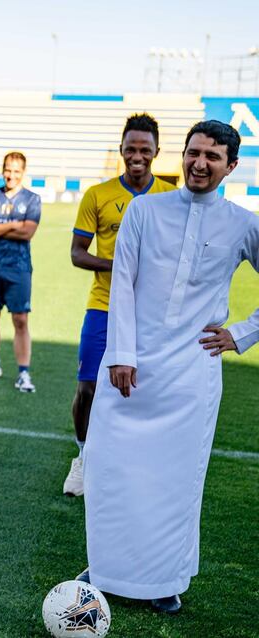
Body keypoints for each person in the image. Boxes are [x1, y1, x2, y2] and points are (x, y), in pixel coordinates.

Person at [79, 120, 259, 614]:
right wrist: (120, 354)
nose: (199, 164)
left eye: (212, 157)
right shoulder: (145, 208)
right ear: (181, 155)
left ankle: (162, 581)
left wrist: (241, 334)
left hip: (192, 376)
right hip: (129, 369)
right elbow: (122, 282)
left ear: (232, 166)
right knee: (110, 470)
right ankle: (106, 570)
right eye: (193, 152)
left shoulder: (244, 223)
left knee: (174, 483)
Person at [62, 113, 176, 497]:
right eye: (131, 149)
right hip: (104, 305)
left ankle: (133, 464)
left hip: (154, 311)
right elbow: (78, 254)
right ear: (122, 150)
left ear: (157, 152)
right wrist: (120, 266)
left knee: (147, 389)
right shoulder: (98, 194)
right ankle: (82, 458)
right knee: (89, 386)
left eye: (145, 149)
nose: (137, 156)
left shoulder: (171, 198)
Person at [0, 152, 41, 392]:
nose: (11, 175)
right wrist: (14, 223)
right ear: (2, 171)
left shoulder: (32, 199)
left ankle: (23, 373)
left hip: (19, 267)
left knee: (20, 319)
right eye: (8, 170)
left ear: (23, 172)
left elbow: (28, 233)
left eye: (16, 171)